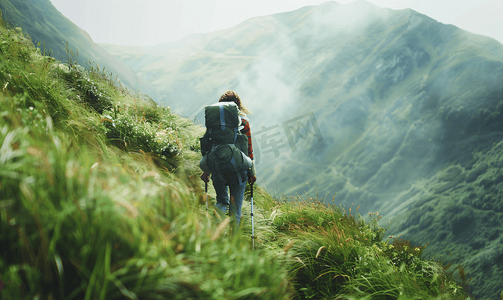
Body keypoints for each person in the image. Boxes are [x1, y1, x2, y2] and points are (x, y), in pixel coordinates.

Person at [200, 90, 257, 227]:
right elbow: (247, 148)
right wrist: (251, 173)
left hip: (217, 167)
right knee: (235, 209)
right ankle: (233, 243)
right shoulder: (243, 121)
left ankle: (213, 233)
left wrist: (206, 171)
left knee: (221, 201)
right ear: (238, 105)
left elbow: (207, 146)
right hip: (238, 170)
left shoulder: (215, 123)